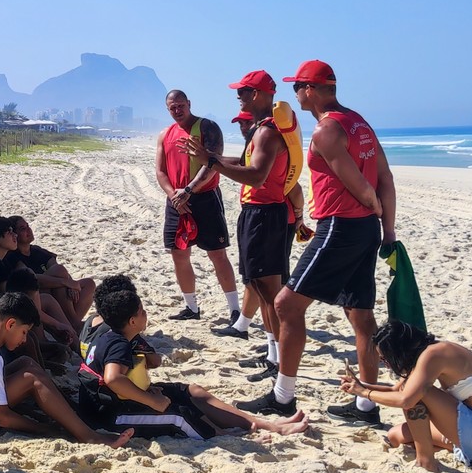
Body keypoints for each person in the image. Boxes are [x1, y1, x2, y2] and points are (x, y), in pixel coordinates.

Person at [239, 60, 395, 424]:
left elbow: (364, 185)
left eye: (297, 87)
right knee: (361, 315)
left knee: (286, 305)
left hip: (340, 227)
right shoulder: (360, 123)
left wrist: (371, 206)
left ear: (310, 89)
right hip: (365, 230)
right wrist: (386, 229)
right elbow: (386, 177)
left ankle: (282, 398)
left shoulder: (327, 130)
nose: (294, 94)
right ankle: (366, 406)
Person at [80, 289, 310, 439]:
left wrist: (146, 390)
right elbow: (112, 378)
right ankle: (224, 436)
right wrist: (151, 400)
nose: (146, 314)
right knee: (180, 415)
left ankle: (261, 424)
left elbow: (127, 374)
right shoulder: (118, 344)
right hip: (110, 416)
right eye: (142, 311)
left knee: (188, 392)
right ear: (132, 321)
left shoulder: (116, 337)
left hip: (117, 401)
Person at [0, 293, 135, 448]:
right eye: (24, 332)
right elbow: (4, 418)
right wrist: (46, 429)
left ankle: (69, 413)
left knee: (26, 363)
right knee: (31, 378)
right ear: (10, 324)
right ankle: (89, 435)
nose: (24, 339)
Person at [200, 71, 292, 382]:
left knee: (269, 293)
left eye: (245, 91)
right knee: (261, 288)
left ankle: (279, 363)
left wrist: (212, 163)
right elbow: (243, 163)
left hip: (265, 215)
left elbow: (256, 176)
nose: (239, 96)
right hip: (258, 214)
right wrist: (212, 157)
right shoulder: (260, 132)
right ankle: (272, 355)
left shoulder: (266, 133)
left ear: (260, 95)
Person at [342, 320, 472, 472]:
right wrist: (361, 386)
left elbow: (406, 399)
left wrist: (365, 393)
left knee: (416, 396)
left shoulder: (434, 354)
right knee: (395, 435)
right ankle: (462, 452)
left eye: (385, 359)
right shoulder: (426, 355)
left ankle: (426, 461)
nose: (385, 364)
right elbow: (396, 390)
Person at [155, 90, 238, 322]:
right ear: (168, 109)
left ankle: (234, 309)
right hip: (176, 201)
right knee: (179, 254)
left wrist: (189, 189)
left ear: (189, 104)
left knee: (217, 254)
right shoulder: (165, 134)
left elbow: (213, 162)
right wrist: (174, 196)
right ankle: (191, 308)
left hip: (205, 197)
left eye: (181, 105)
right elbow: (160, 171)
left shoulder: (207, 127)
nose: (177, 110)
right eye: (173, 107)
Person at [8, 216, 96, 328]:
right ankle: (73, 322)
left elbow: (57, 267)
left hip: (58, 293)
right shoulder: (14, 255)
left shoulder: (37, 251)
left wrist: (70, 284)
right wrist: (65, 282)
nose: (28, 230)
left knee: (89, 284)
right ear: (14, 234)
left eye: (28, 226)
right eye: (22, 228)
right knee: (58, 275)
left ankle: (72, 322)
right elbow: (31, 278)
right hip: (38, 295)